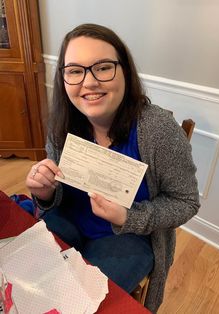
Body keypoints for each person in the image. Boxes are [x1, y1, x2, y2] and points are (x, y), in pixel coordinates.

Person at [25, 23, 200, 313]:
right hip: (67, 220)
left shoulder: (157, 130)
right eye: (75, 70)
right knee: (32, 282)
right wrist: (44, 194)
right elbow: (53, 198)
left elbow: (186, 202)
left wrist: (129, 216)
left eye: (103, 67)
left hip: (125, 237)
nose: (89, 82)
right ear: (64, 78)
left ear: (125, 71)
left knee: (81, 303)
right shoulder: (62, 122)